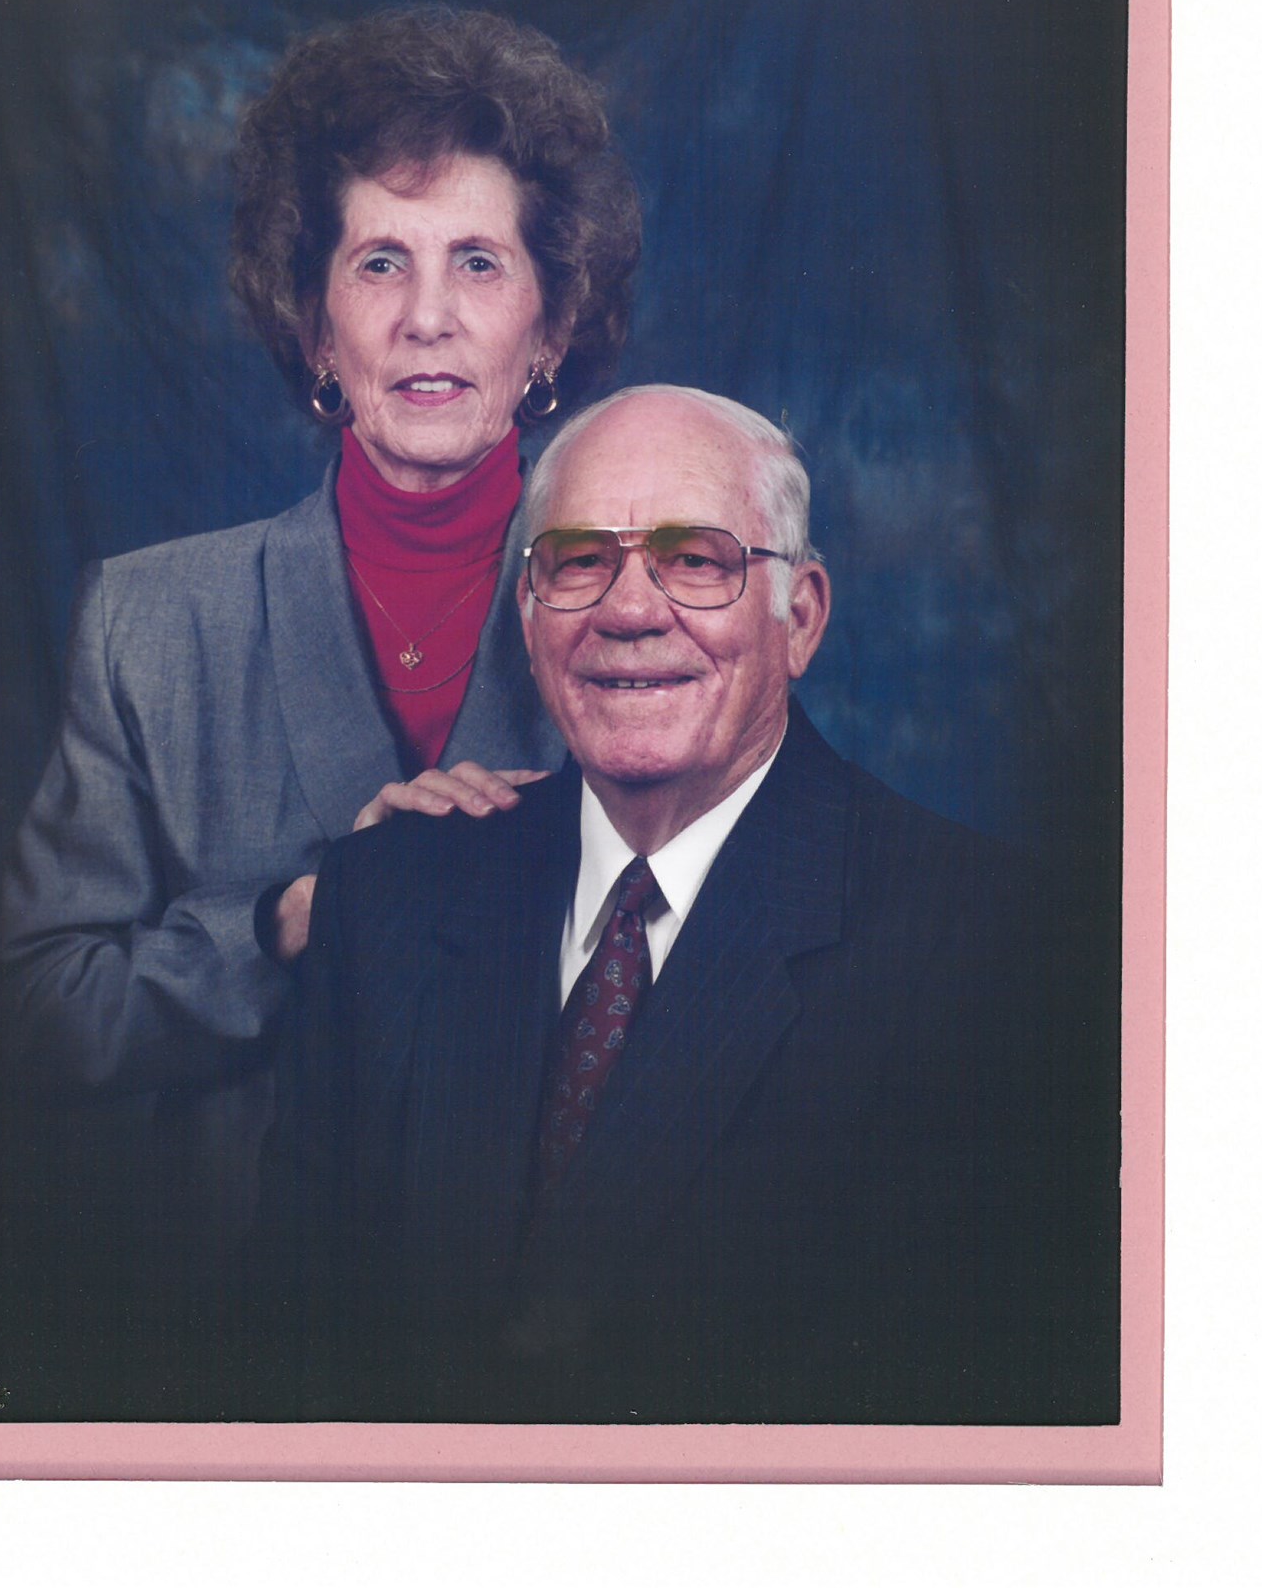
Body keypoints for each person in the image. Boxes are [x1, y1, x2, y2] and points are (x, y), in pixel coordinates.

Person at [258, 385, 1120, 1424]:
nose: (629, 611)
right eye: (579, 560)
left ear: (798, 617)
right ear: (527, 616)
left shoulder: (992, 950)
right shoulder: (386, 897)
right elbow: (291, 1355)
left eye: (697, 561)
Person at [0, 6, 642, 1291]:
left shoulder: (651, 619)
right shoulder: (148, 622)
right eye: (378, 263)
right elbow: (35, 1014)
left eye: (477, 263)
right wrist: (290, 921)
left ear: (551, 327)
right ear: (313, 325)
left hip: (557, 1319)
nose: (426, 318)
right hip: (232, 1321)